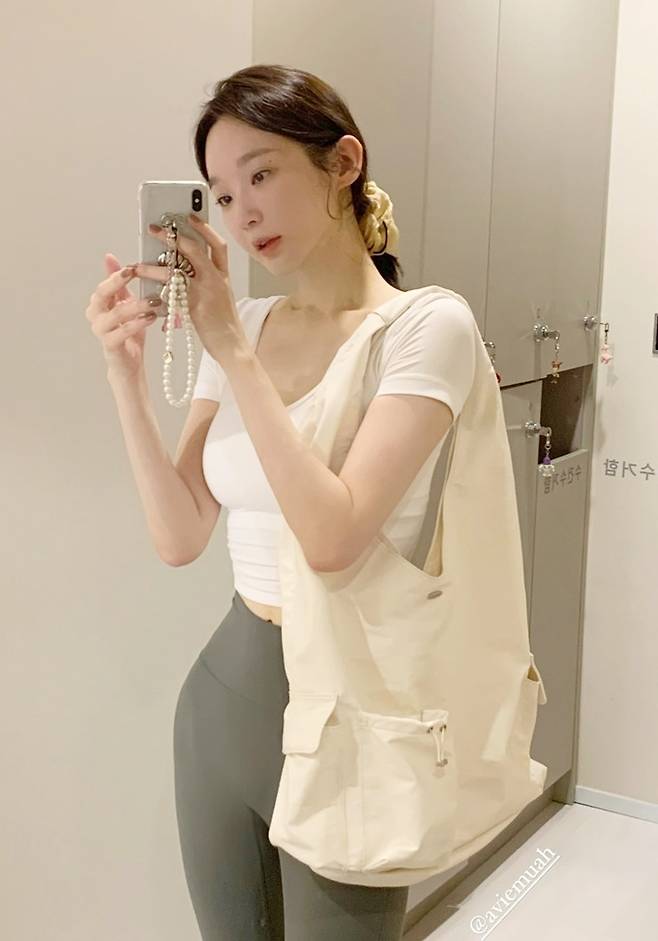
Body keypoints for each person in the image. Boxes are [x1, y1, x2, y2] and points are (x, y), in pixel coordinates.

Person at [85, 64, 475, 940]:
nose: (242, 212)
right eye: (223, 195)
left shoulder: (424, 329)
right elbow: (181, 533)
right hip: (222, 704)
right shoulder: (249, 328)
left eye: (261, 174)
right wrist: (124, 376)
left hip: (352, 720)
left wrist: (229, 343)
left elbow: (332, 536)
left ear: (344, 163)